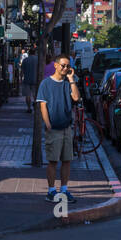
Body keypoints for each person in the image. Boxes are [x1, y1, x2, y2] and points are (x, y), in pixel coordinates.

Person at [37, 54, 81, 203]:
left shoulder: (69, 83)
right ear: (55, 65)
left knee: (67, 160)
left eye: (68, 66)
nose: (65, 68)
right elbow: (43, 105)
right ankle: (51, 190)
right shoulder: (45, 84)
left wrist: (71, 79)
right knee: (53, 161)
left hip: (66, 127)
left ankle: (64, 189)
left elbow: (76, 98)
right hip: (54, 128)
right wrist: (48, 125)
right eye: (63, 65)